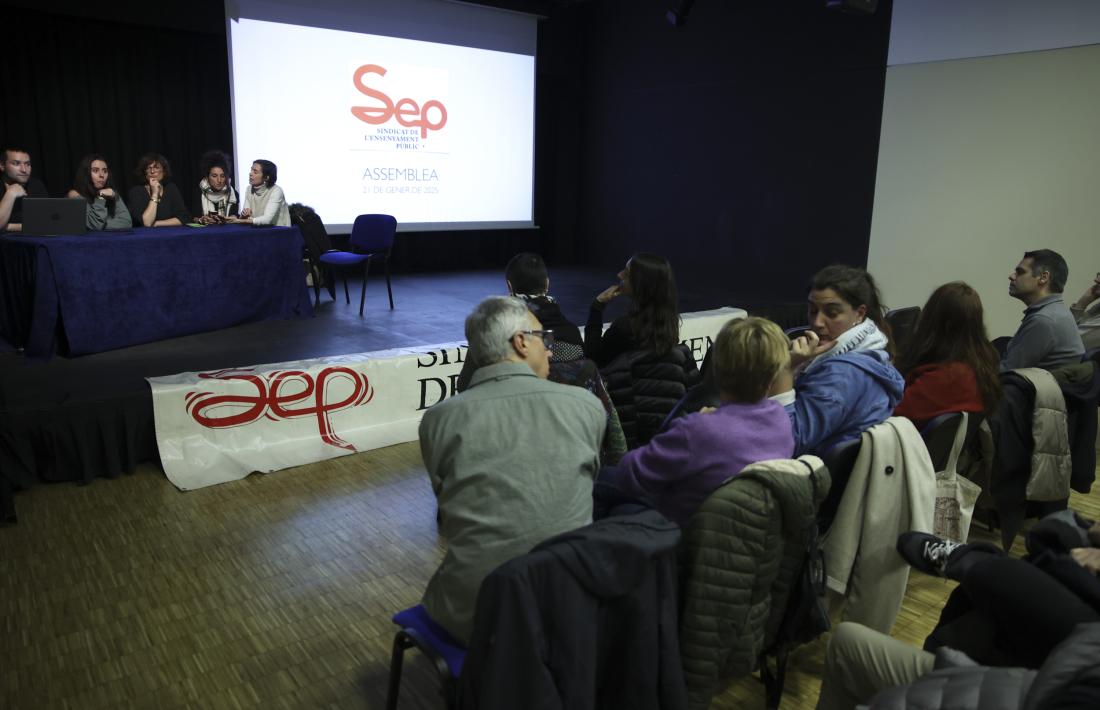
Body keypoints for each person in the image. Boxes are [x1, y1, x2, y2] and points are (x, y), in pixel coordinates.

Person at [419, 296, 607, 643]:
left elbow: (447, 514)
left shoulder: (438, 421)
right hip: (572, 607)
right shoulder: (587, 406)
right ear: (521, 342)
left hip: (476, 617)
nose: (550, 351)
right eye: (544, 339)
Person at [596, 317, 795, 526]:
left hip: (682, 534)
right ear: (774, 374)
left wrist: (696, 422)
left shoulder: (699, 430)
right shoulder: (782, 420)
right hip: (740, 533)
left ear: (717, 365)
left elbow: (631, 473)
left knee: (601, 480)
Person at [772, 265, 904, 456]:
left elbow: (786, 442)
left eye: (832, 313)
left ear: (859, 313)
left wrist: (785, 371)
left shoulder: (840, 376)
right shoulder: (873, 351)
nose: (817, 322)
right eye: (812, 310)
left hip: (810, 476)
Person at [456, 252, 584, 392]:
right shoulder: (572, 333)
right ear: (547, 284)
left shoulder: (492, 334)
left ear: (509, 286)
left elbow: (465, 385)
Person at [893, 282, 1002, 428]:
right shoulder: (981, 362)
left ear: (937, 322)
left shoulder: (948, 377)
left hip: (908, 447)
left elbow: (892, 417)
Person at [585, 252, 680, 368]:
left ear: (642, 284)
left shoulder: (625, 328)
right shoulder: (668, 324)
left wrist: (597, 306)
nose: (620, 275)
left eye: (627, 274)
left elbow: (593, 357)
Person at [1001, 249, 1085, 371]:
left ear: (1043, 277)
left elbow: (1006, 370)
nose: (1012, 276)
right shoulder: (1054, 310)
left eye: (1020, 272)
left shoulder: (1044, 320)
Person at [66, 154, 132, 230]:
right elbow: (96, 225)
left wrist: (114, 196)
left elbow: (127, 222)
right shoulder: (75, 195)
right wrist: (100, 197)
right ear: (86, 174)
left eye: (105, 171)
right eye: (95, 170)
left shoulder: (109, 192)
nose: (101, 175)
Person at [127, 153, 190, 227]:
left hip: (170, 234)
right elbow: (147, 223)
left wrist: (157, 223)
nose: (152, 171)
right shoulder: (136, 192)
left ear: (164, 172)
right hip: (145, 236)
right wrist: (155, 193)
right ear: (145, 172)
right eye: (148, 168)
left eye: (156, 167)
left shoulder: (171, 188)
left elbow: (185, 218)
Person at [0, 145, 49, 232]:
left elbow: (46, 223)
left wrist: (8, 227)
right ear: (2, 166)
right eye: (16, 163)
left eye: (28, 164)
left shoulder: (36, 185)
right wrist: (10, 194)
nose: (24, 170)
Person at [229, 159, 290, 226]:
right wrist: (244, 214)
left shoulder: (276, 191)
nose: (250, 173)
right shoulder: (249, 189)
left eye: (255, 172)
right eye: (251, 170)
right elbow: (245, 217)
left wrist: (238, 221)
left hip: (279, 231)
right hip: (259, 230)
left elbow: (267, 220)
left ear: (266, 177)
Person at [194, 150, 238, 223]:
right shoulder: (199, 192)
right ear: (207, 178)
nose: (219, 180)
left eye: (222, 176)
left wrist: (231, 218)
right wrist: (202, 219)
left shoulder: (232, 193)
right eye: (214, 176)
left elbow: (234, 215)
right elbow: (193, 217)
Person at [1070, 271, 1100, 352]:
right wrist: (1081, 304)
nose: (1096, 280)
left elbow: (1069, 343)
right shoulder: (1097, 309)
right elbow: (1066, 329)